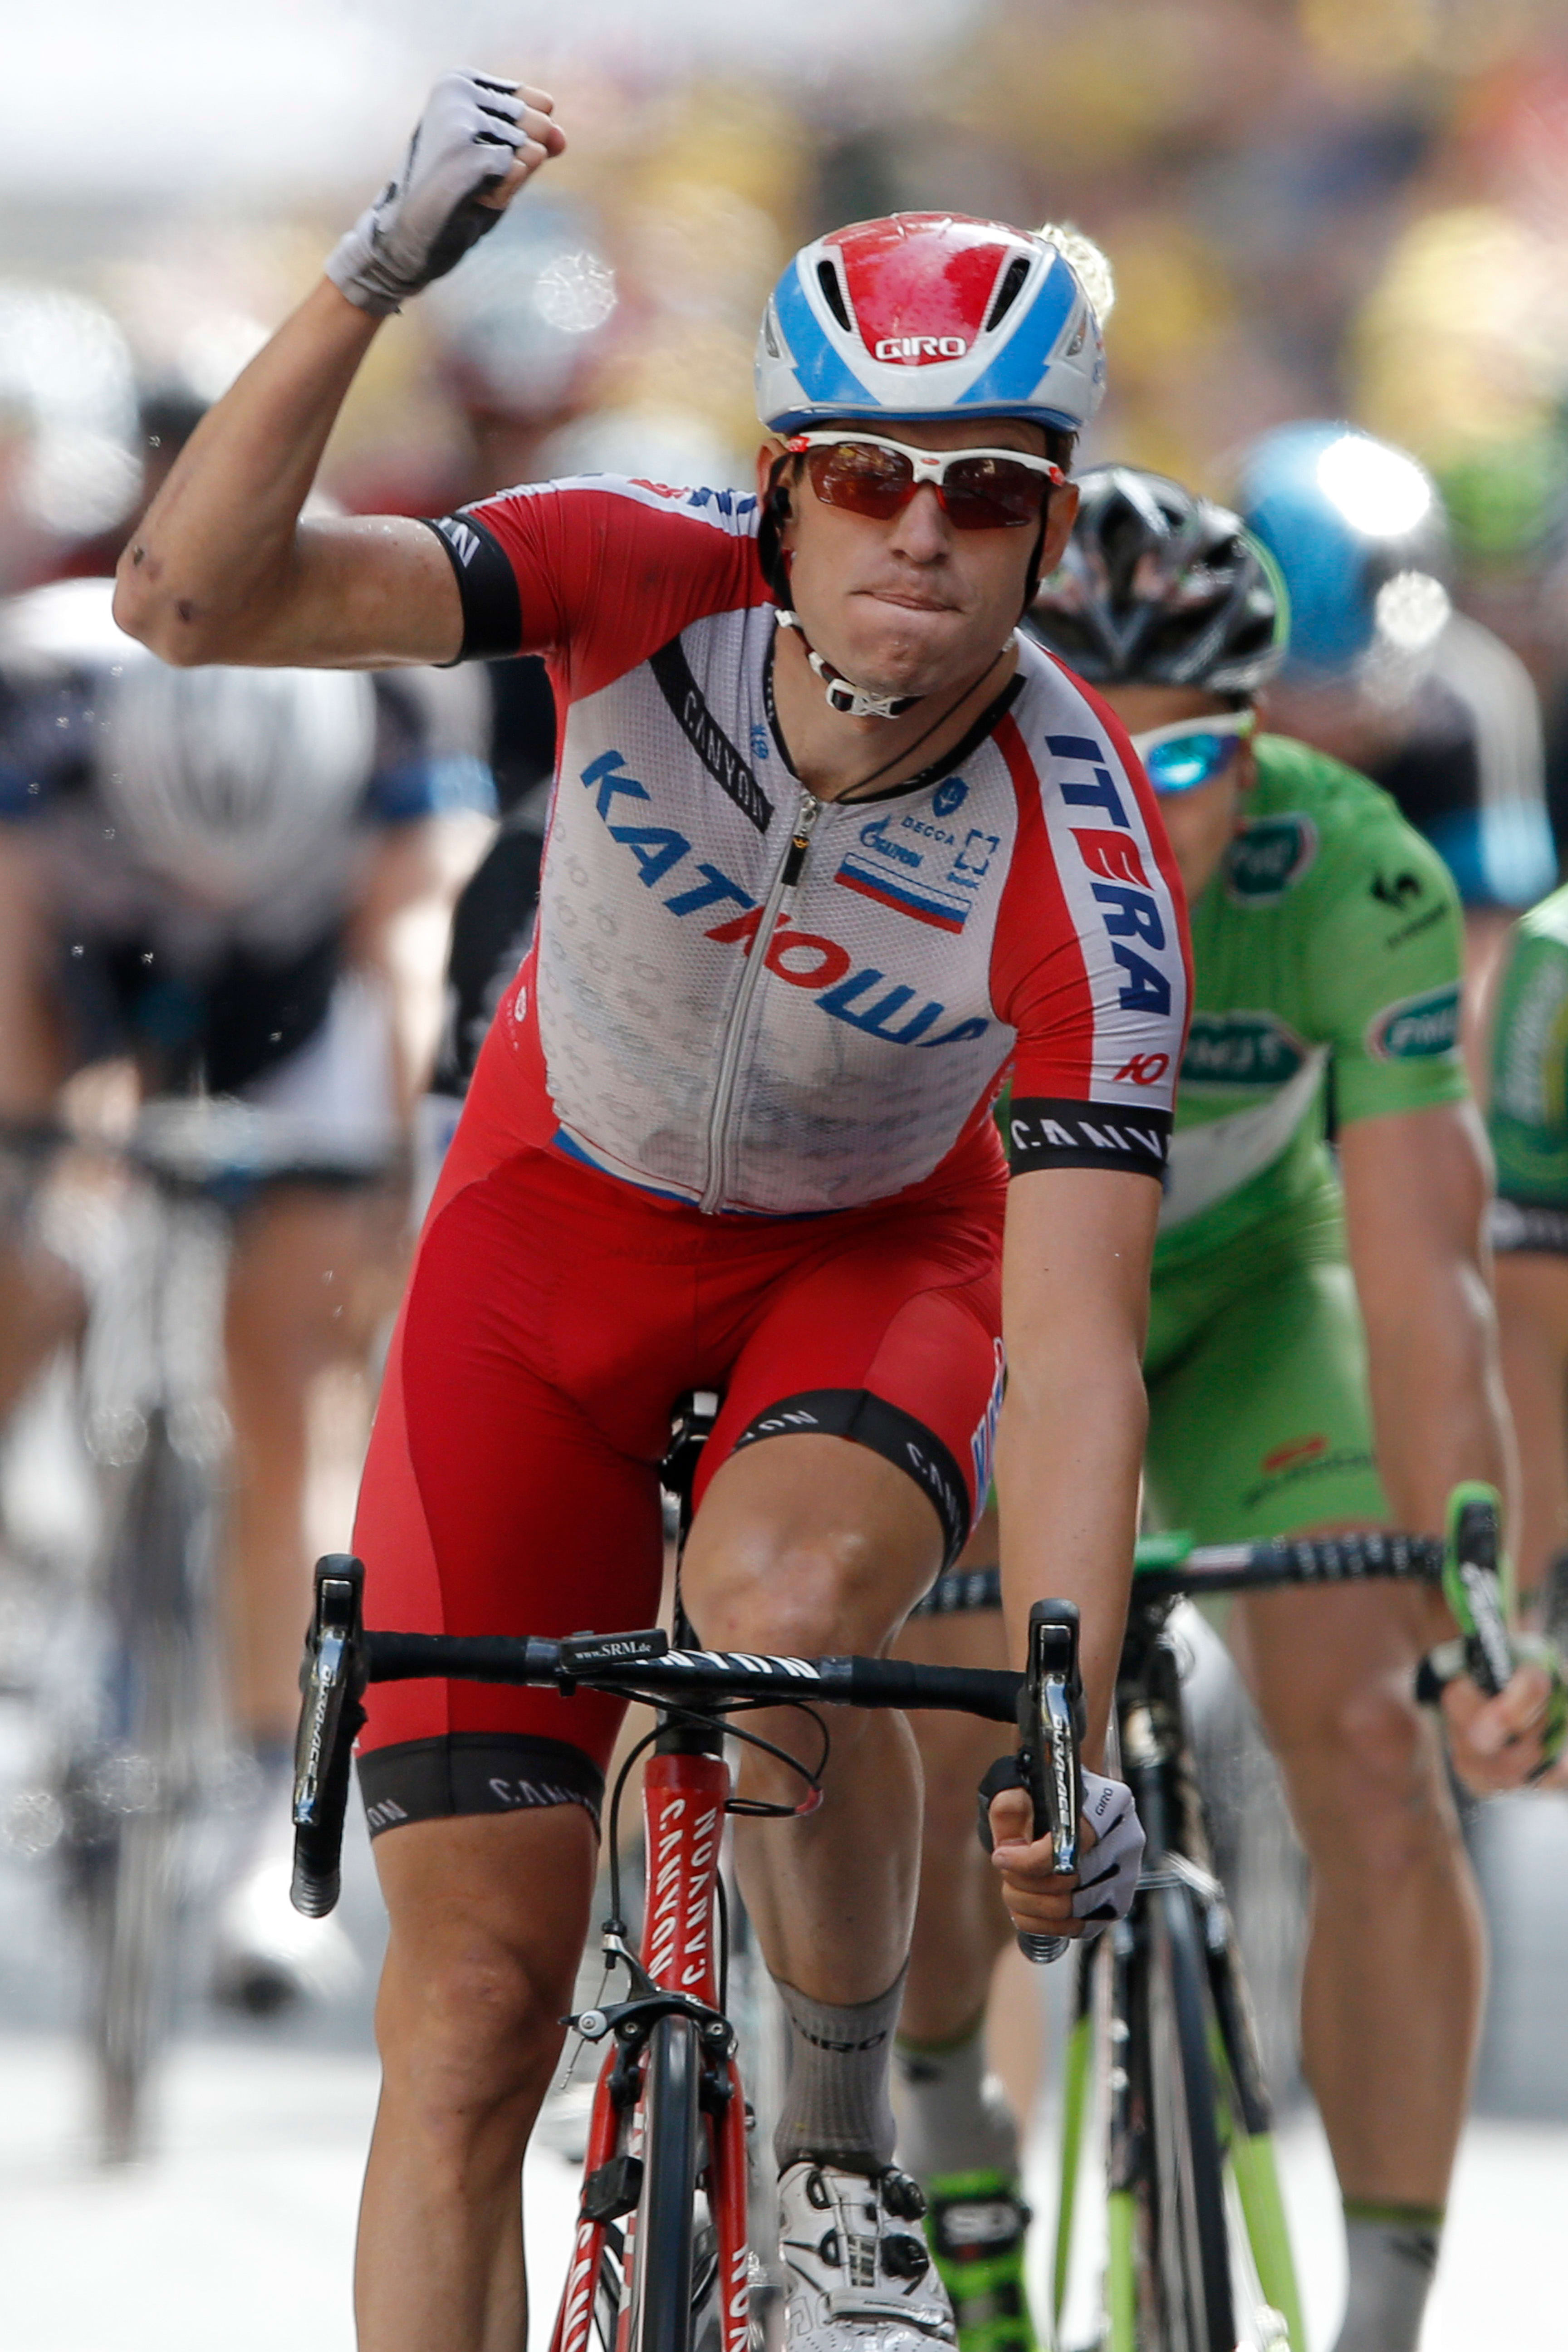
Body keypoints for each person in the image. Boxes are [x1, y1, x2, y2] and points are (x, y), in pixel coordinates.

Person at [114, 71, 1189, 2352]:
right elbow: (185, 600)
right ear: (781, 488)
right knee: (467, 2014)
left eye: (986, 490)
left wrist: (1061, 1744)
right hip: (547, 1237)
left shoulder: (1083, 851)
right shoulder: (628, 571)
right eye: (867, 475)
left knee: (783, 1612)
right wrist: (367, 283)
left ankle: (837, 2157)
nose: (920, 532)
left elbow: (1082, 1347)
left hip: (873, 1258)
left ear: (1051, 532)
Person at [892, 465, 1553, 2352]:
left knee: (1373, 1742)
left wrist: (1482, 1609)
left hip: (1255, 1299)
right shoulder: (908, 850)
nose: (1134, 806)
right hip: (984, 1299)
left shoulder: (1355, 872)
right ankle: (951, 2155)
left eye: (1186, 763)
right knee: (945, 1755)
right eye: (1084, 751)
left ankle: (1383, 2317)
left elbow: (1424, 1284)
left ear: (1263, 750)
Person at [0, 571, 493, 2006]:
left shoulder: (397, 705)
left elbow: (413, 972)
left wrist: (396, 1200)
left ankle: (263, 1803)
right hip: (95, 983)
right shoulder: (43, 694)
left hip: (304, 1011)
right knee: (24, 1274)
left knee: (293, 1375)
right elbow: (13, 974)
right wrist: (45, 1184)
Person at [1237, 421, 1558, 1090]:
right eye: (1293, 702)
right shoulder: (1190, 705)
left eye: (1351, 701)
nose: (1326, 740)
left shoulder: (1469, 705)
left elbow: (1483, 969)